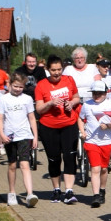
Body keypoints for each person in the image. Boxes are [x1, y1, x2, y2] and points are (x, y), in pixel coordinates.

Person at [34, 54, 81, 204]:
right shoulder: (41, 85)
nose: (57, 73)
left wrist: (71, 104)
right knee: (54, 159)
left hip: (69, 124)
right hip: (49, 127)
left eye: (59, 69)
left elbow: (77, 97)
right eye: (53, 70)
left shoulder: (69, 80)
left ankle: (69, 191)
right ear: (48, 69)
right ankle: (56, 190)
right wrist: (50, 103)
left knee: (69, 156)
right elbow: (39, 109)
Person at [0, 72, 40, 208]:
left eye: (21, 87)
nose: (18, 89)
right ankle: (11, 193)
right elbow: (0, 118)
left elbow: (32, 118)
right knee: (12, 165)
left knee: (25, 164)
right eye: (15, 86)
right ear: (10, 84)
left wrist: (35, 136)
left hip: (24, 135)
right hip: (10, 136)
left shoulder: (27, 99)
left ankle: (29, 194)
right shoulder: (4, 99)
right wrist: (1, 134)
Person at [78, 80, 111, 207]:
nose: (97, 96)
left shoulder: (109, 105)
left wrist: (108, 125)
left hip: (106, 142)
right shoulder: (87, 105)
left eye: (100, 93)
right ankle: (96, 195)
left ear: (105, 93)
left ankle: (102, 190)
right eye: (94, 93)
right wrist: (82, 131)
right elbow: (80, 119)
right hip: (91, 141)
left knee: (103, 169)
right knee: (95, 168)